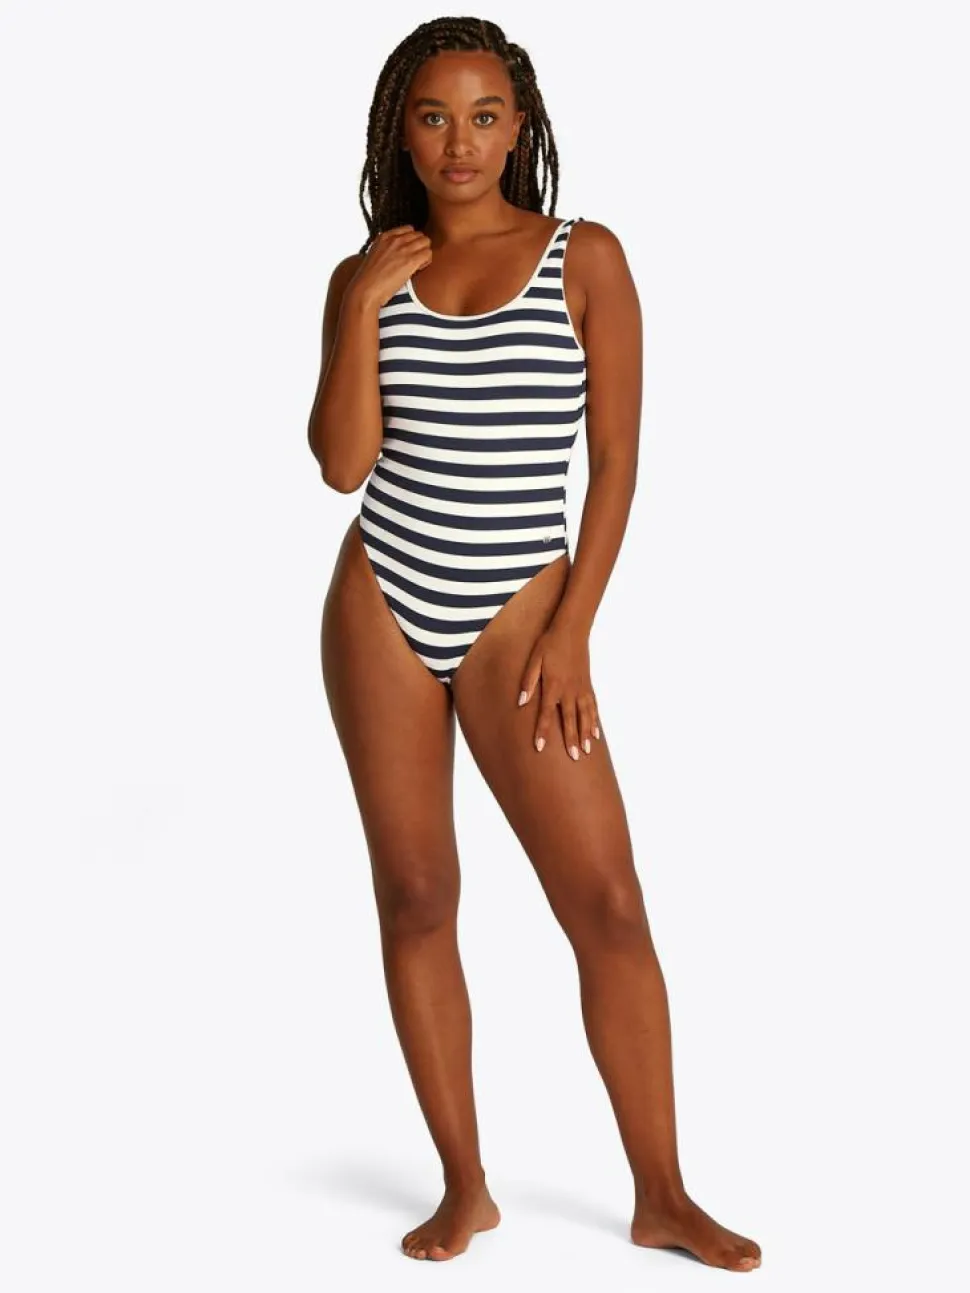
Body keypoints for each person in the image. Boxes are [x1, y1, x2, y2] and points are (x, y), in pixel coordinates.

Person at [307, 16, 761, 1273]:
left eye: (484, 114)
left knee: (606, 905)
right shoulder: (367, 272)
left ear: (521, 126)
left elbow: (615, 460)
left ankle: (662, 1194)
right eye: (434, 117)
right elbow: (341, 464)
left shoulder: (583, 256)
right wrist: (360, 305)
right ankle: (465, 1187)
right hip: (380, 599)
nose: (460, 141)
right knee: (415, 896)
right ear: (401, 133)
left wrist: (573, 632)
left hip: (521, 609)